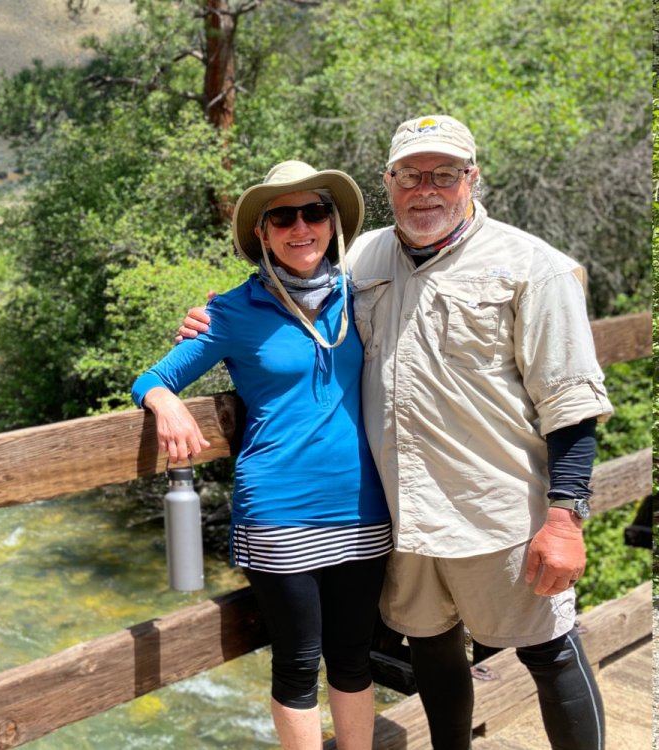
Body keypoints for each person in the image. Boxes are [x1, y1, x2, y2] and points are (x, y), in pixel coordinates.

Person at [177, 115, 612, 750]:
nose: (425, 189)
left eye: (444, 174)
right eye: (410, 174)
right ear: (388, 182)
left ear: (473, 179)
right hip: (400, 513)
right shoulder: (364, 256)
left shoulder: (531, 267)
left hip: (497, 509)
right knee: (432, 648)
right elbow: (291, 278)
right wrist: (210, 319)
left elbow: (570, 402)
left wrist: (565, 517)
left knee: (547, 649)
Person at [133, 160, 391, 750]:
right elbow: (152, 378)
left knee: (353, 656)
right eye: (283, 217)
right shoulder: (230, 311)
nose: (301, 227)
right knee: (299, 663)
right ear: (262, 233)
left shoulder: (364, 295)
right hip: (279, 510)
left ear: (332, 222)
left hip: (364, 506)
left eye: (314, 212)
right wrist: (165, 402)